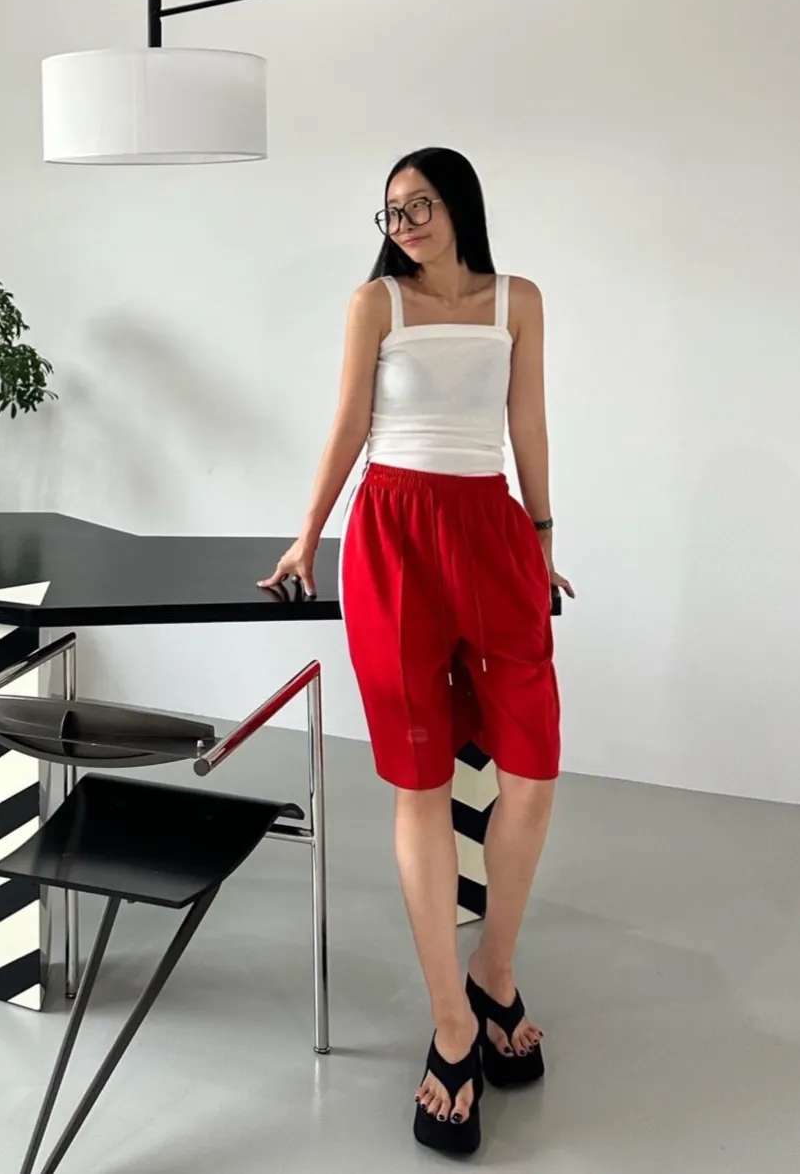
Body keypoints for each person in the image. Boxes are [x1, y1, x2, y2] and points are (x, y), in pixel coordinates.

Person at [260, 147, 573, 1158]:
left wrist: (542, 541)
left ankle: (494, 968)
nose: (404, 223)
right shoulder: (376, 304)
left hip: (490, 528)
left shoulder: (517, 300)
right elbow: (348, 423)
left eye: (420, 204)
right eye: (391, 211)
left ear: (459, 202)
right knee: (420, 779)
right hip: (393, 534)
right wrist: (309, 535)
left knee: (532, 772)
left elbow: (527, 422)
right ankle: (452, 1025)